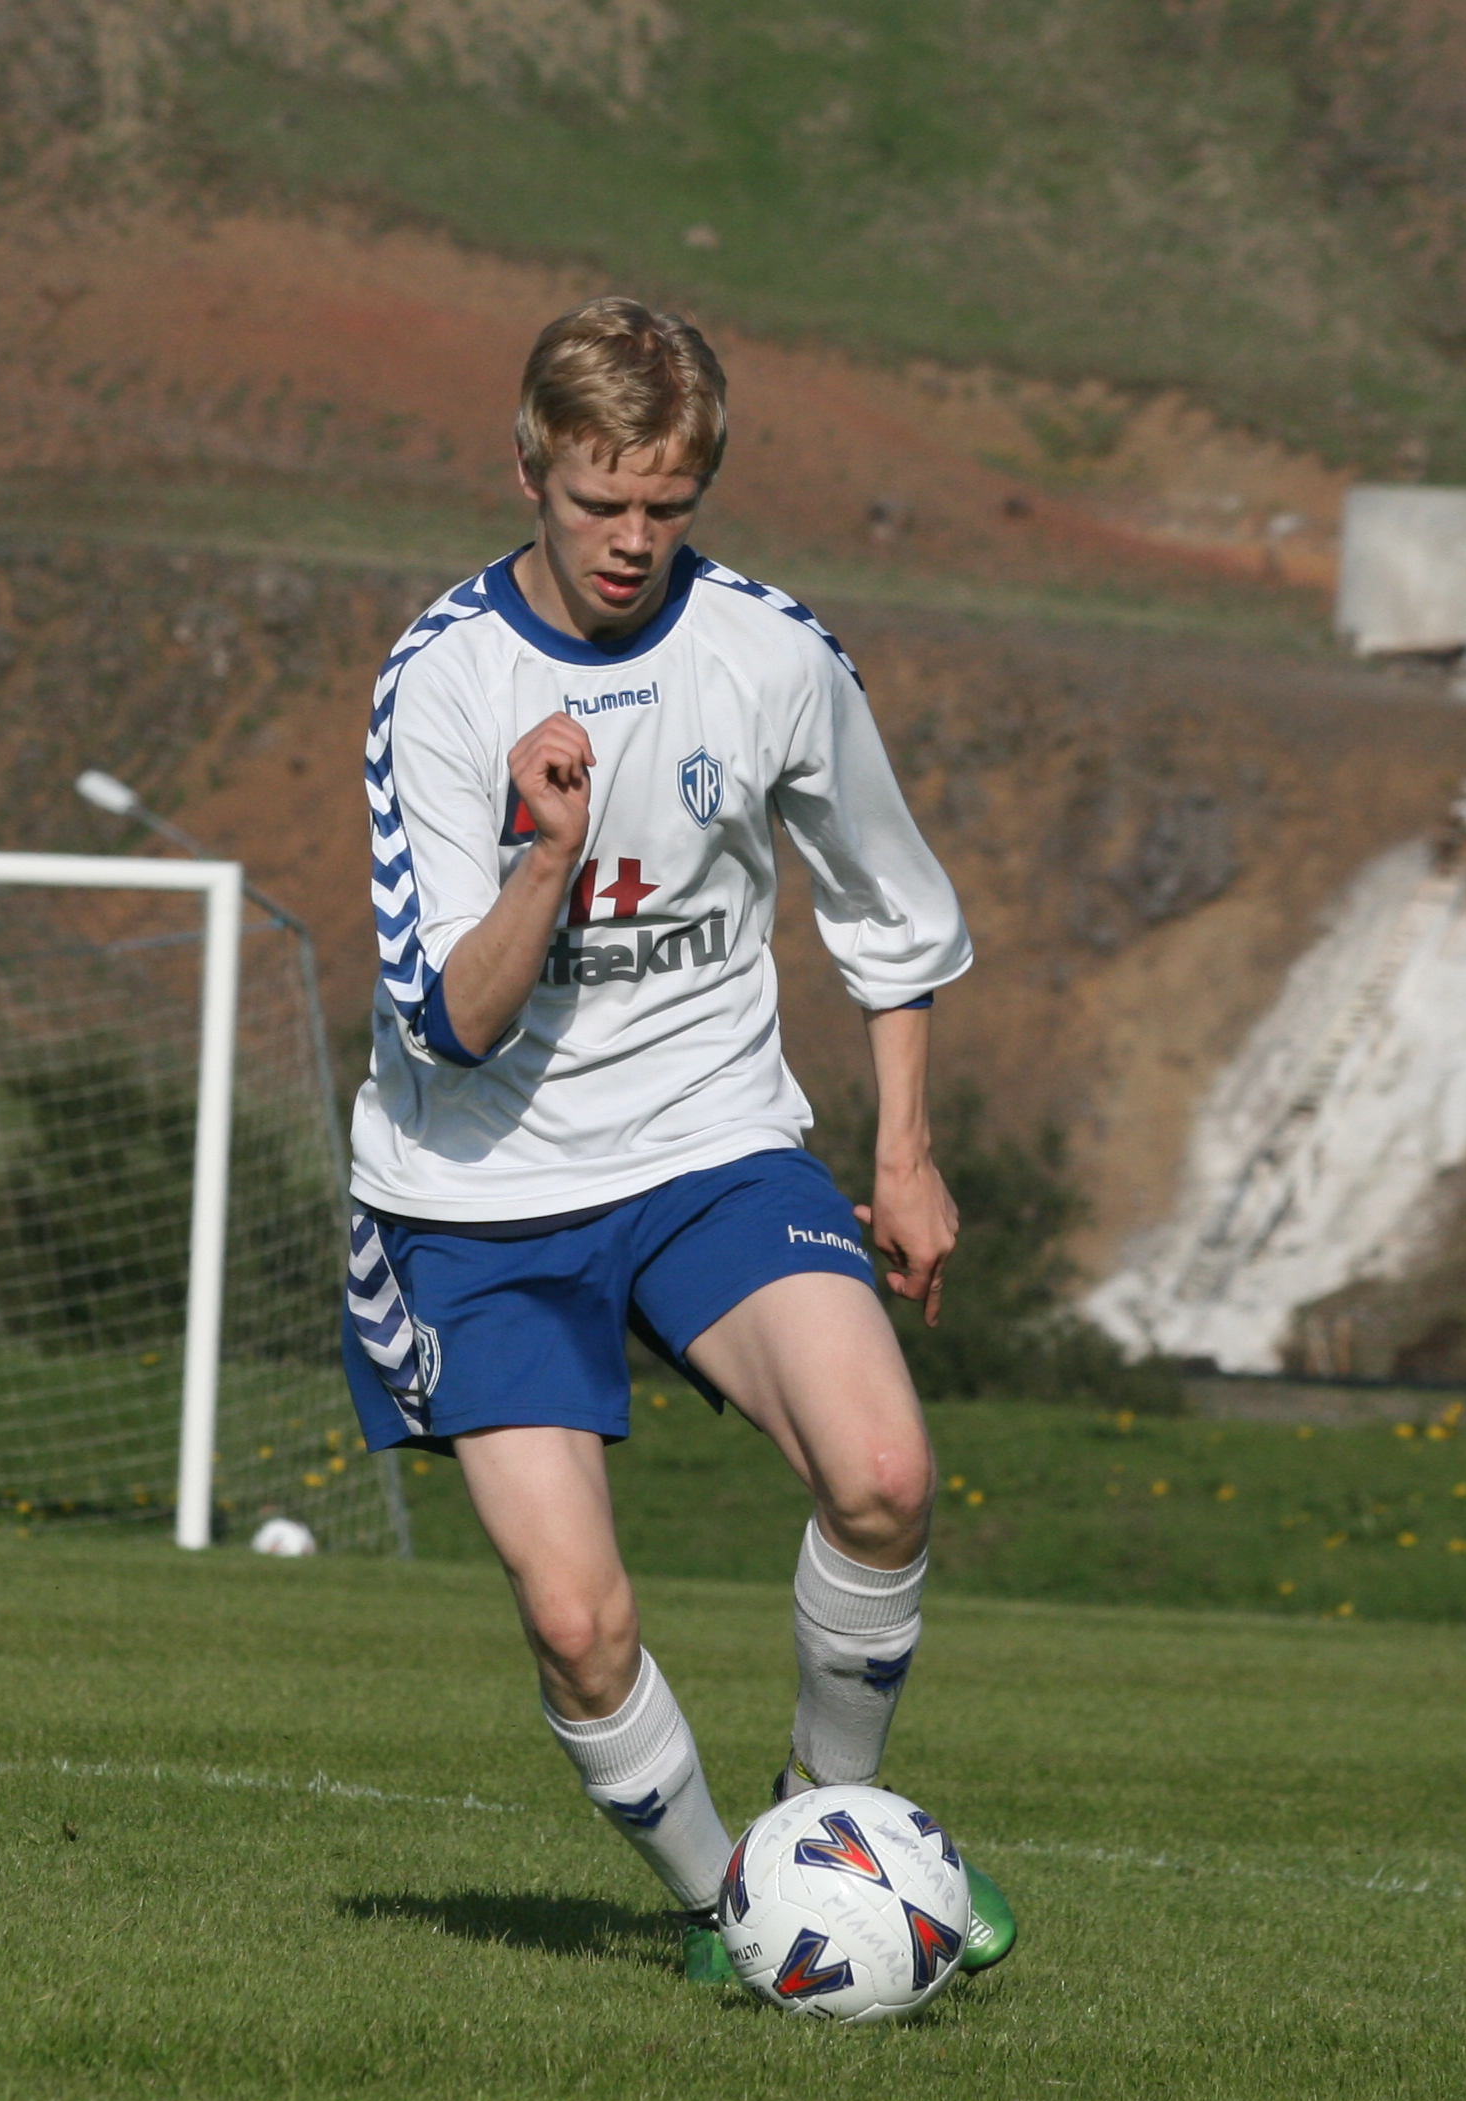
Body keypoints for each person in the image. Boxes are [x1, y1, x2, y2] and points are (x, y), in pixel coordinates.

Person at [342, 296, 1009, 1986]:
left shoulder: (769, 654)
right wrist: (546, 855)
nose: (633, 540)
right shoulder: (443, 682)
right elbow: (451, 1022)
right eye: (599, 502)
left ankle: (832, 1843)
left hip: (710, 1142)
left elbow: (890, 906)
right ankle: (734, 1913)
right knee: (580, 1624)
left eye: (668, 503)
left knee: (884, 1478)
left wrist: (906, 1150)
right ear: (528, 471)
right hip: (475, 1196)